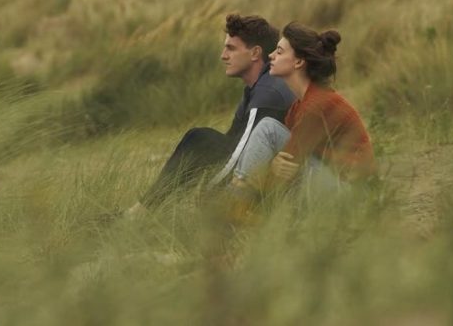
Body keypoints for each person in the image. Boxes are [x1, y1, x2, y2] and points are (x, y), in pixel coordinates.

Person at [125, 14, 295, 217]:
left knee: (200, 139)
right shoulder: (257, 88)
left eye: (231, 48)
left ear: (255, 53)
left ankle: (142, 212)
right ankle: (145, 210)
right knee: (204, 142)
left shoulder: (268, 91)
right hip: (264, 180)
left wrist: (210, 197)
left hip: (280, 189)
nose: (223, 55)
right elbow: (232, 141)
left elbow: (242, 156)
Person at [227, 22, 377, 216]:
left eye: (279, 52)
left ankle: (236, 202)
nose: (271, 55)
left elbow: (287, 167)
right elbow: (283, 166)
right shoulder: (298, 106)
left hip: (354, 196)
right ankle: (239, 203)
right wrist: (273, 167)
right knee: (271, 137)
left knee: (268, 129)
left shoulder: (317, 105)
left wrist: (270, 170)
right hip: (331, 185)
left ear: (298, 62)